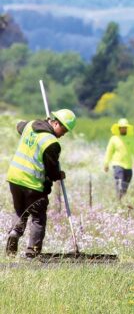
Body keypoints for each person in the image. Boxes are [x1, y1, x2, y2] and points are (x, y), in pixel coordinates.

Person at [5, 109, 76, 258]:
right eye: (63, 130)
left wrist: (42, 122)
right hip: (33, 184)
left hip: (15, 178)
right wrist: (59, 175)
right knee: (38, 218)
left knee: (20, 211)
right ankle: (32, 252)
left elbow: (19, 125)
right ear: (56, 123)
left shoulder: (30, 125)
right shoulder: (51, 143)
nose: (63, 134)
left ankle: (14, 234)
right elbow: (51, 170)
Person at [103, 118, 134, 201]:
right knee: (120, 182)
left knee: (125, 185)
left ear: (127, 128)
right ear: (119, 128)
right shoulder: (114, 139)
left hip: (128, 166)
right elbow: (109, 152)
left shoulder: (132, 139)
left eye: (125, 127)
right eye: (121, 127)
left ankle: (121, 199)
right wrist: (106, 164)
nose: (123, 129)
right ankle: (118, 200)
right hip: (118, 165)